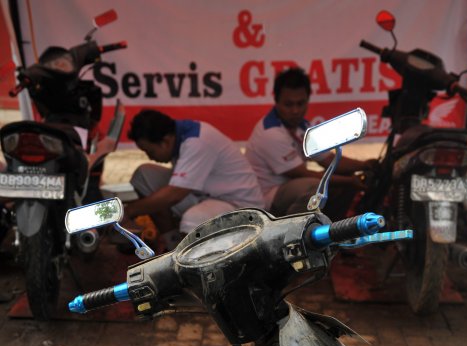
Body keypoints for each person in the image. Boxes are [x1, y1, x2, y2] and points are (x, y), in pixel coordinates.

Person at [245, 67, 376, 220]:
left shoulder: (302, 126)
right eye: (288, 104)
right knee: (314, 188)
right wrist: (350, 181)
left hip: (290, 188)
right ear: (276, 101)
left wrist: (365, 165)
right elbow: (303, 173)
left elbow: (329, 159)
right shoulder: (270, 133)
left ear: (308, 100)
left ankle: (334, 230)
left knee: (341, 179)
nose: (295, 110)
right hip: (265, 199)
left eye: (300, 103)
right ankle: (294, 233)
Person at [124, 110, 265, 249]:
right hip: (205, 195)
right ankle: (172, 244)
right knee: (143, 175)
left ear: (165, 141)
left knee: (192, 219)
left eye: (150, 151)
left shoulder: (197, 141)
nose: (150, 157)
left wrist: (129, 211)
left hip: (239, 207)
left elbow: (174, 194)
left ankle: (186, 260)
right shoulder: (176, 134)